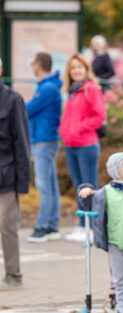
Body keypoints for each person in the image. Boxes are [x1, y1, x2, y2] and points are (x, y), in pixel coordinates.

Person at [59, 53, 106, 242]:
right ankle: (81, 225)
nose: (76, 71)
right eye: (73, 68)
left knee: (89, 185)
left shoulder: (91, 89)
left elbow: (99, 115)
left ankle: (93, 227)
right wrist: (65, 130)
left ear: (86, 70)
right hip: (71, 145)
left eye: (80, 67)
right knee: (79, 186)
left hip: (86, 144)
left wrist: (81, 128)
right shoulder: (72, 91)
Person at [77, 152, 123, 313]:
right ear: (117, 172)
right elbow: (89, 202)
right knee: (120, 281)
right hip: (115, 245)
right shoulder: (107, 192)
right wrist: (85, 190)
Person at [25, 52, 63, 243]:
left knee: (44, 184)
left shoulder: (46, 88)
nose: (32, 67)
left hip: (43, 140)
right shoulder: (49, 86)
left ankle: (42, 226)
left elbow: (28, 109)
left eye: (33, 63)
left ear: (38, 65)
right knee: (50, 182)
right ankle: (52, 224)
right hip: (46, 139)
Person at [0, 57, 31, 290]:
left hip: (6, 175)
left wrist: (23, 182)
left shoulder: (13, 100)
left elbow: (22, 143)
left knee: (8, 227)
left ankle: (13, 276)